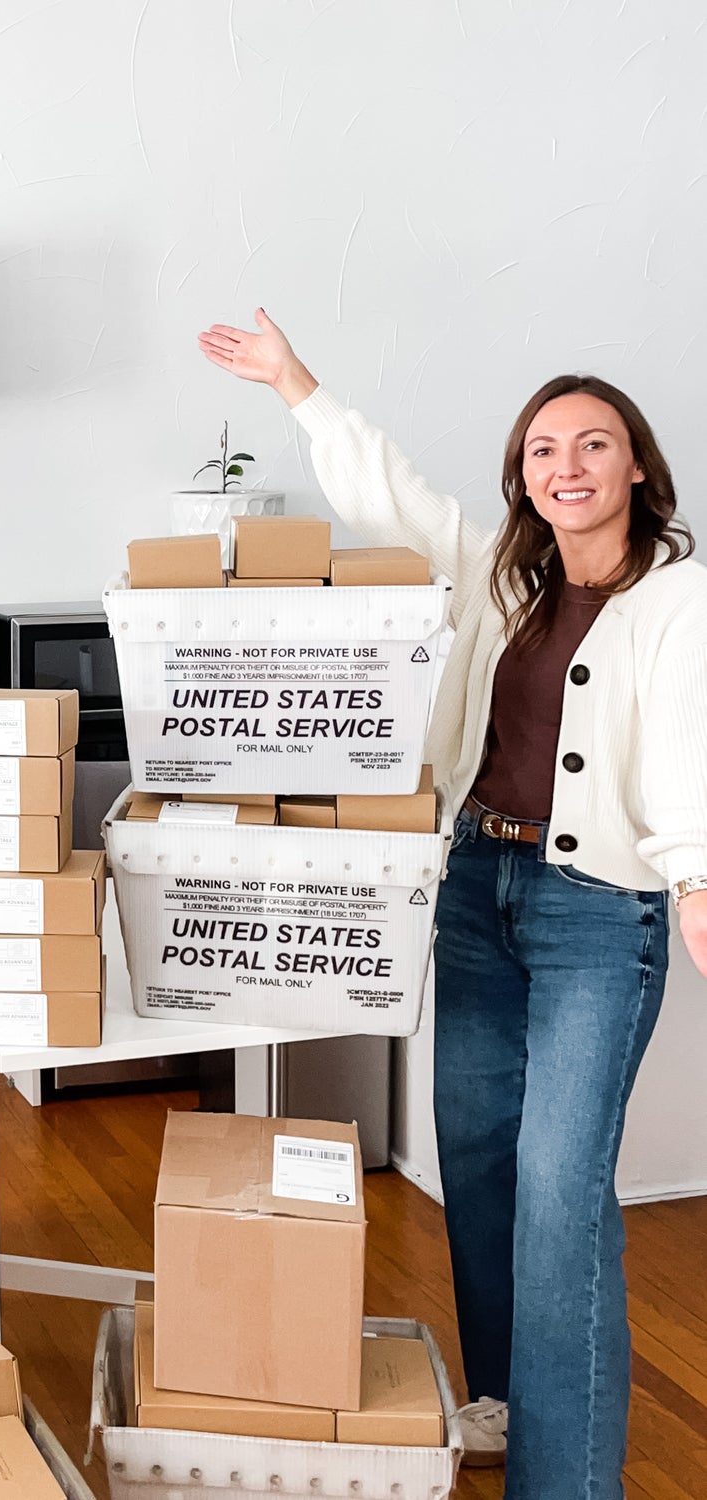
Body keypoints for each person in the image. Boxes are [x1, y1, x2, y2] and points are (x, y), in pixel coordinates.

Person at [200, 310, 707, 1500]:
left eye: (592, 445)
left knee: (561, 1192)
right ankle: (501, 1401)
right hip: (478, 886)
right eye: (542, 450)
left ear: (636, 465)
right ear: (522, 477)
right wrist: (294, 382)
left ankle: (566, 1478)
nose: (565, 467)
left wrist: (694, 872)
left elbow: (690, 743)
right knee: (477, 1160)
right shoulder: (506, 576)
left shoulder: (681, 599)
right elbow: (397, 495)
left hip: (598, 914)